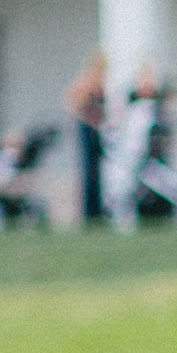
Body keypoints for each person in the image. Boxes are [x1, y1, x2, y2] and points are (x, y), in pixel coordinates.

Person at [68, 54, 108, 225]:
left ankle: (96, 210)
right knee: (89, 172)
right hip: (88, 129)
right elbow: (76, 103)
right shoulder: (88, 81)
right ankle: (89, 212)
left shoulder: (100, 81)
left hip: (96, 128)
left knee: (96, 172)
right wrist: (92, 120)